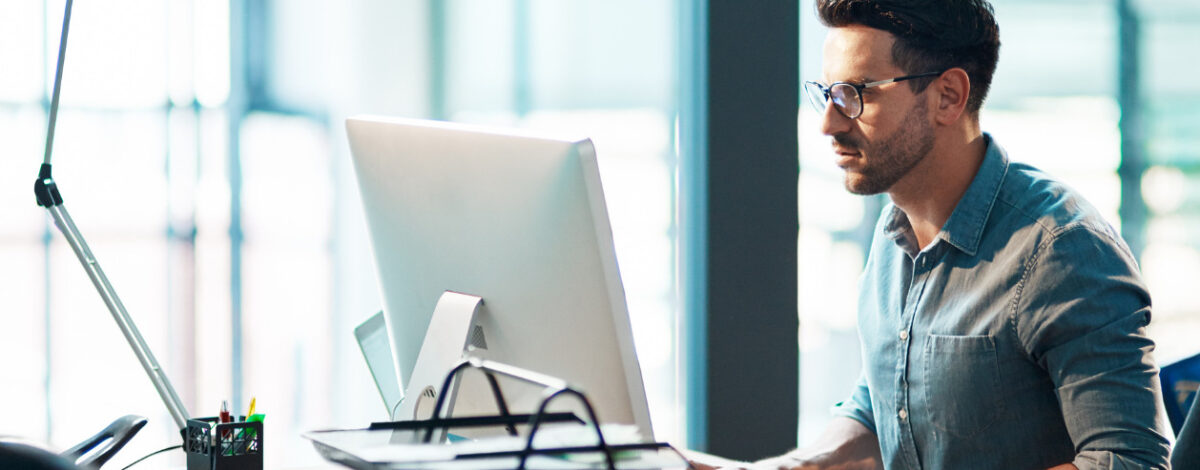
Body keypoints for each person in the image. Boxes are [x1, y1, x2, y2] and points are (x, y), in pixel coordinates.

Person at [689, 0, 1172, 469]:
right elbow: (885, 406)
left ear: (948, 96)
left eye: (857, 94)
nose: (829, 123)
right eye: (830, 92)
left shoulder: (1061, 249)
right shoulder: (891, 233)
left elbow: (1130, 460)